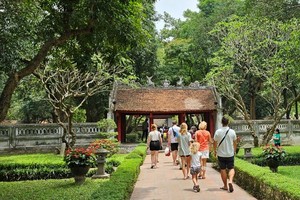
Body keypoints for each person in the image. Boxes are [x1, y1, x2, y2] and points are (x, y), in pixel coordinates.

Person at [213, 116, 237, 193]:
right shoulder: (232, 131)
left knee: (223, 169)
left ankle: (225, 186)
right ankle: (230, 181)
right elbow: (235, 142)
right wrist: (234, 150)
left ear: (221, 122)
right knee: (231, 168)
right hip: (230, 153)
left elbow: (215, 142)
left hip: (221, 154)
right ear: (228, 122)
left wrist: (215, 151)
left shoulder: (218, 132)